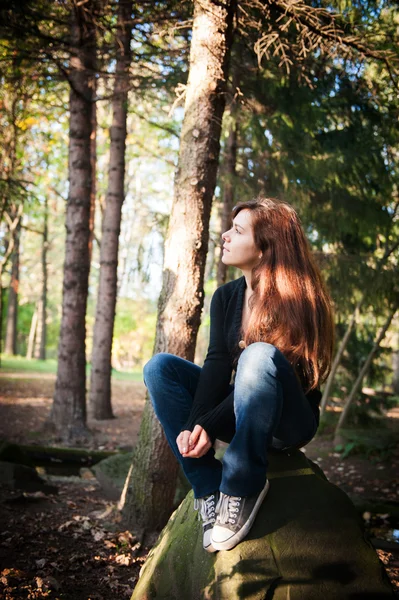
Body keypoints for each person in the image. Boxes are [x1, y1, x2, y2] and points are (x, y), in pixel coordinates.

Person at [143, 197, 334, 553]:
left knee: (257, 355)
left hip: (288, 421)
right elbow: (216, 363)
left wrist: (210, 425)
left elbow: (272, 375)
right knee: (159, 369)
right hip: (243, 411)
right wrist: (194, 425)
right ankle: (208, 488)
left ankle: (244, 485)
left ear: (265, 247)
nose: (225, 236)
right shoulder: (227, 296)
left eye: (238, 230)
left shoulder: (300, 298)